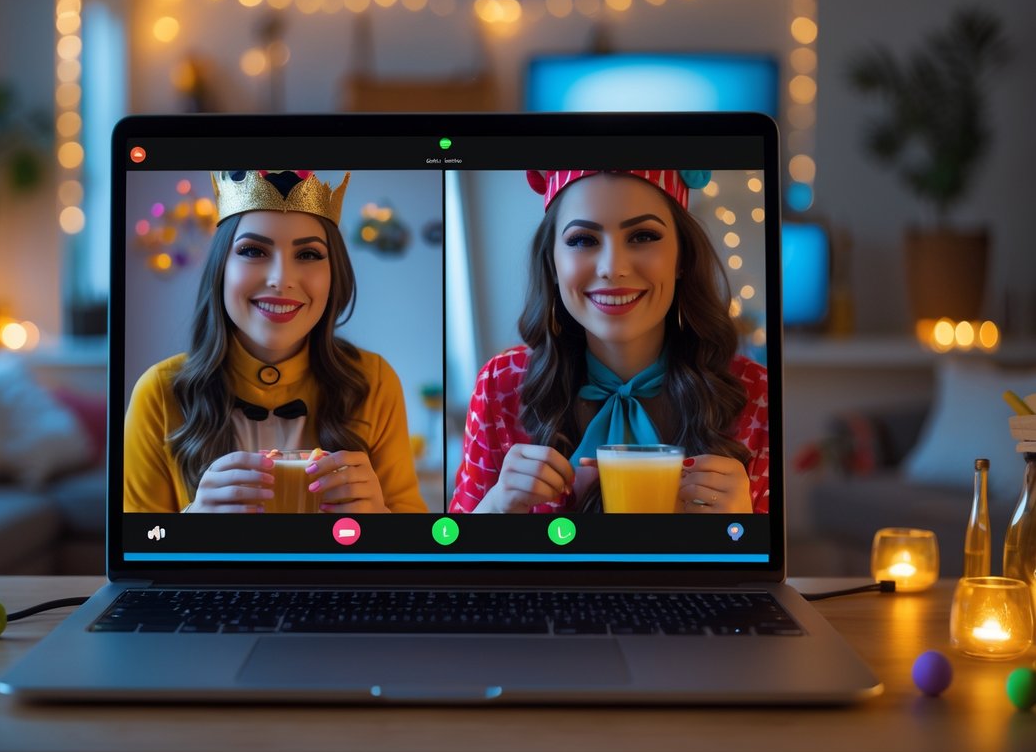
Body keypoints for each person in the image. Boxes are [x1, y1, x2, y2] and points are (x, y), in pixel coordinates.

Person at [450, 169, 769, 515]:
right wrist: (495, 508)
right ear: (552, 264)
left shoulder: (753, 393)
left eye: (643, 236)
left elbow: (762, 567)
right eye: (583, 240)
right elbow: (452, 562)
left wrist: (742, 533)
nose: (612, 268)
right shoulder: (501, 386)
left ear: (682, 258)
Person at [124, 169, 427, 514]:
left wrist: (381, 518)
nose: (281, 279)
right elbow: (137, 554)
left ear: (335, 274)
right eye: (253, 251)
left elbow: (413, 548)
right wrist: (192, 526)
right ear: (221, 269)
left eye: (309, 255)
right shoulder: (159, 393)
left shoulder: (374, 381)